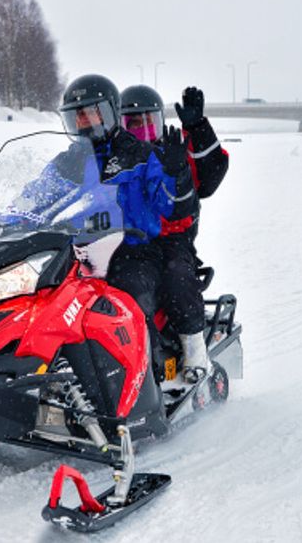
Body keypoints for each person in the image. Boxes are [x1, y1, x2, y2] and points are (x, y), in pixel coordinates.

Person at [58, 74, 191, 350]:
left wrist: (175, 174)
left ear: (110, 113)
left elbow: (167, 202)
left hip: (133, 252)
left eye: (90, 115)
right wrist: (7, 222)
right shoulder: (68, 161)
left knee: (126, 299)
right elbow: (37, 195)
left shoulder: (140, 154)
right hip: (79, 255)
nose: (84, 124)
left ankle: (149, 372)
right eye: (77, 118)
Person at [119, 84, 229, 383]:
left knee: (175, 276)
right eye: (133, 123)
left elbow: (209, 177)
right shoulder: (119, 157)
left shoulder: (174, 150)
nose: (141, 130)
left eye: (147, 122)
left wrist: (197, 128)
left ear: (158, 119)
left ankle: (193, 348)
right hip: (126, 241)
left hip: (172, 238)